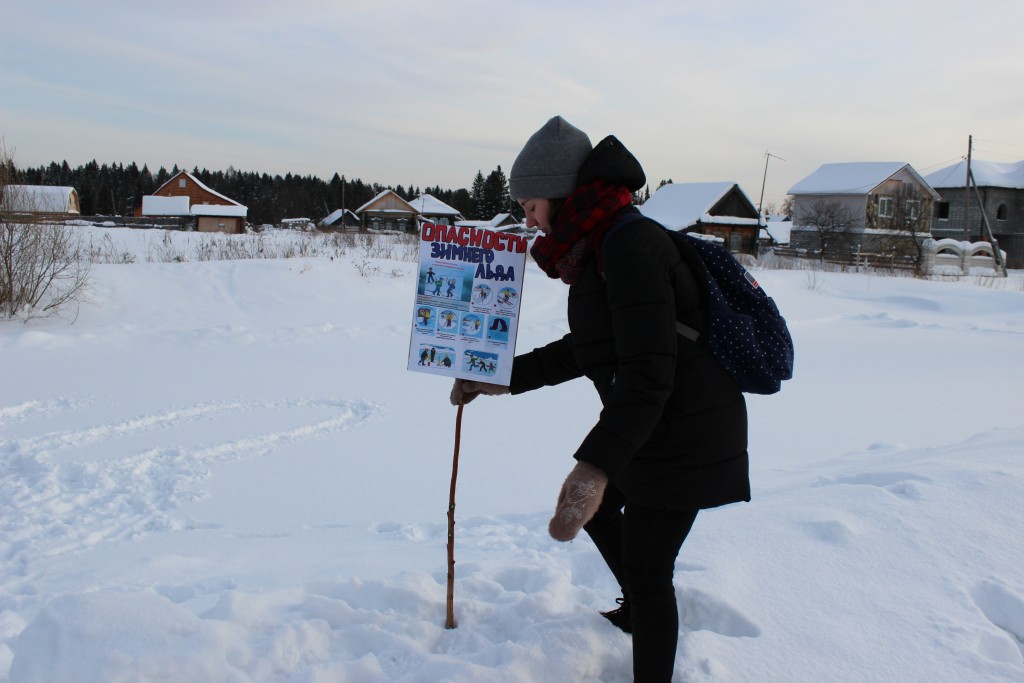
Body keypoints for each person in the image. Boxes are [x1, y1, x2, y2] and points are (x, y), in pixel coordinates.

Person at [450, 115, 750, 683]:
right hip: (653, 423)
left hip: (687, 429)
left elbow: (648, 374)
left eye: (530, 205)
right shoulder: (602, 245)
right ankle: (638, 610)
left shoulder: (629, 246)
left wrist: (594, 467)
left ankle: (646, 630)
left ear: (560, 193)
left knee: (648, 569)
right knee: (609, 519)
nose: (527, 219)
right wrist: (499, 376)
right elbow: (588, 348)